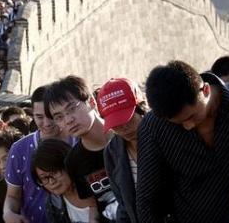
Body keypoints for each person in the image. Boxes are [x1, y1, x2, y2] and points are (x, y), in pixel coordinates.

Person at [137, 60, 229, 223]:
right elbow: (148, 199)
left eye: (191, 117)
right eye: (178, 124)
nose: (188, 126)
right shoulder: (154, 127)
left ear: (206, 90)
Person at [44, 76, 118, 221]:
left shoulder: (124, 135)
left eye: (71, 109)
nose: (68, 120)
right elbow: (94, 207)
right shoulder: (73, 161)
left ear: (91, 101)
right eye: (59, 117)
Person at [3, 85, 75, 223]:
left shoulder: (78, 140)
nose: (46, 123)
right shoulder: (19, 150)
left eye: (51, 116)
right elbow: (13, 195)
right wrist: (8, 213)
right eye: (39, 117)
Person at [98, 78, 147, 223]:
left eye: (128, 120)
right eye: (116, 125)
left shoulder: (164, 133)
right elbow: (124, 204)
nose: (123, 129)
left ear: (141, 108)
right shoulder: (112, 152)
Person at [32, 139, 99, 223]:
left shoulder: (97, 183)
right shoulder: (53, 203)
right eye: (44, 178)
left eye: (54, 173)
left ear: (68, 164)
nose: (52, 182)